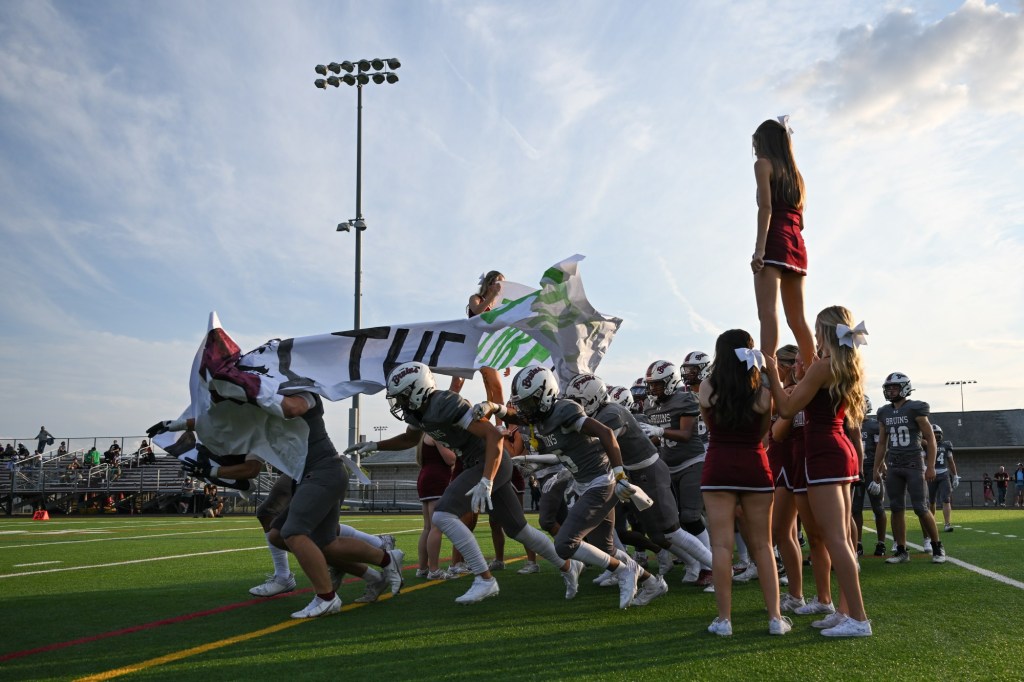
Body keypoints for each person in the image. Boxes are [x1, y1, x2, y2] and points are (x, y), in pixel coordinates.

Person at [350, 362, 576, 605]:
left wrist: (487, 479)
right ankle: (568, 566)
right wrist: (376, 445)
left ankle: (484, 579)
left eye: (403, 396)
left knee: (442, 514)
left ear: (418, 389)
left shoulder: (445, 403)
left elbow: (493, 435)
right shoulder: (418, 411)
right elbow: (409, 438)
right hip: (477, 463)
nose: (400, 403)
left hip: (490, 461)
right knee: (518, 530)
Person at [489, 366, 667, 610]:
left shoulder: (564, 410)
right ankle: (652, 583)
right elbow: (518, 419)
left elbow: (606, 433)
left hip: (601, 482)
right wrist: (494, 409)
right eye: (523, 404)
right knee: (606, 547)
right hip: (585, 483)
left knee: (565, 544)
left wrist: (620, 473)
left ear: (545, 395)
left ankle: (625, 571)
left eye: (529, 403)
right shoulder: (540, 418)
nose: (525, 409)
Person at [766, 305, 872, 637]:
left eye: (816, 333)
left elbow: (786, 409)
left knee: (836, 539)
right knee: (842, 538)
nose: (814, 339)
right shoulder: (844, 364)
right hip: (838, 449)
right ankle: (845, 611)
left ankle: (859, 619)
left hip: (824, 452)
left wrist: (772, 374)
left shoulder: (823, 367)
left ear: (826, 333)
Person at [564, 373, 710, 595]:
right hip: (631, 474)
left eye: (579, 402)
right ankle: (691, 563)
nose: (576, 408)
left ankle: (717, 567)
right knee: (656, 535)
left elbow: (593, 450)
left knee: (673, 532)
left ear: (593, 398)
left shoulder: (611, 413)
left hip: (648, 472)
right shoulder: (601, 413)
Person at [699, 330, 787, 636]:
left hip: (718, 466)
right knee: (763, 545)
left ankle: (724, 620)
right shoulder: (763, 391)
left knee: (721, 546)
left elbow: (711, 426)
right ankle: (775, 618)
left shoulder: (707, 386)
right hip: (754, 465)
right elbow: (763, 434)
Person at [750, 117, 815, 367]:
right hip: (797, 245)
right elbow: (801, 222)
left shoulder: (763, 164)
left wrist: (759, 250)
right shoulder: (797, 176)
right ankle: (814, 370)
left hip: (774, 241)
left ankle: (768, 372)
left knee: (767, 312)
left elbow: (766, 208)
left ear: (763, 142)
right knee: (797, 319)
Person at [641, 360, 713, 577]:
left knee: (690, 516)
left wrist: (660, 432)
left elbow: (685, 434)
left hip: (692, 462)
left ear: (670, 382)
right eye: (651, 384)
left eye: (658, 383)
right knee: (674, 521)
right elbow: (656, 438)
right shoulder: (650, 406)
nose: (653, 388)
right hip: (667, 466)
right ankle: (695, 563)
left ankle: (710, 568)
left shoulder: (685, 399)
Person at [872, 372, 946, 565]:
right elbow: (882, 443)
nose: (890, 391)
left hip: (914, 463)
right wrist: (876, 467)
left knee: (921, 507)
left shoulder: (915, 408)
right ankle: (901, 550)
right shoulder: (884, 412)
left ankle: (937, 546)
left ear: (905, 388)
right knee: (896, 508)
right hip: (894, 464)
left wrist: (931, 466)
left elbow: (930, 439)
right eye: (888, 388)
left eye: (894, 388)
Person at [766, 344, 807, 613]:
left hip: (786, 460)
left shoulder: (792, 391)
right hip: (782, 459)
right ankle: (796, 594)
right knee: (787, 533)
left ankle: (796, 594)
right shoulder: (788, 390)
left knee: (781, 531)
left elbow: (778, 432)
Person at [449, 271, 508, 421]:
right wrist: (492, 295)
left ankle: (499, 426)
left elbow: (499, 334)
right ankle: (445, 417)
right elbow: (477, 311)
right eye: (499, 282)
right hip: (469, 348)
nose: (501, 286)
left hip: (486, 350)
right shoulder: (475, 298)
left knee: (495, 387)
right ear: (490, 283)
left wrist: (506, 360)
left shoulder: (498, 307)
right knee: (456, 385)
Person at [415, 434, 457, 579]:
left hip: (426, 477)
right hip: (436, 479)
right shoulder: (435, 434)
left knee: (427, 527)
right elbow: (450, 459)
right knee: (435, 527)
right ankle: (434, 570)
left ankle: (422, 568)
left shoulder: (424, 435)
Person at [854, 397, 888, 556]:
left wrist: (879, 470)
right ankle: (858, 543)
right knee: (855, 509)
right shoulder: (848, 424)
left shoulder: (874, 425)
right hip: (855, 470)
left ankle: (881, 543)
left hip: (871, 469)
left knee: (878, 507)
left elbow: (880, 449)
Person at [927, 424, 959, 531]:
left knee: (946, 499)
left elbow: (951, 461)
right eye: (934, 433)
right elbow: (921, 458)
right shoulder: (926, 444)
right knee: (931, 501)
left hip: (944, 474)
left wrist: (955, 475)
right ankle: (931, 523)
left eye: (938, 433)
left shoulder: (946, 445)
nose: (936, 436)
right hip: (931, 475)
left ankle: (947, 524)